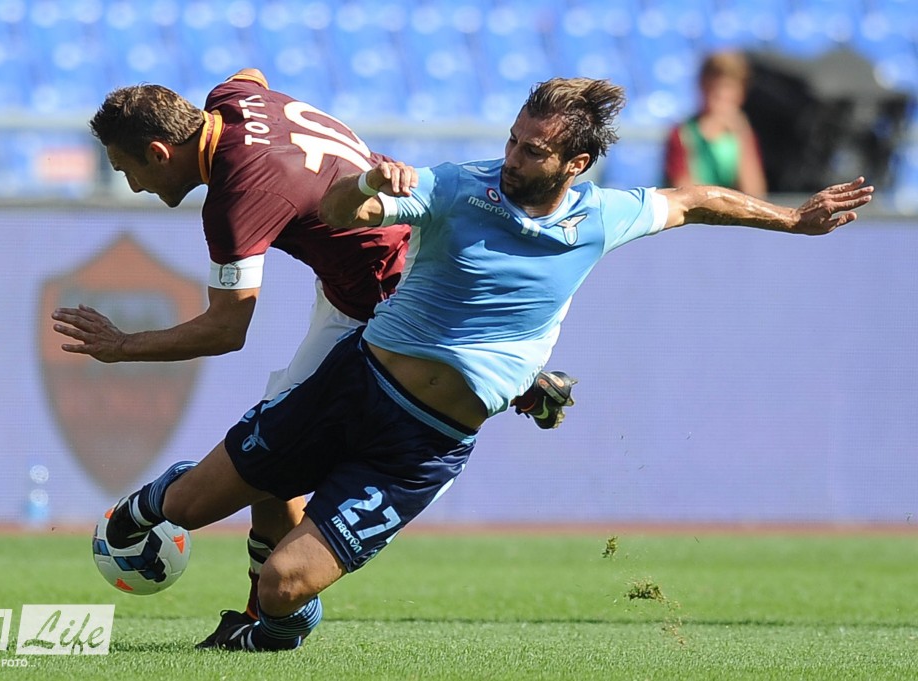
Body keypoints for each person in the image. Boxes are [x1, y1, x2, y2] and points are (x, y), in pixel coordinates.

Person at [102, 76, 872, 652]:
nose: (511, 157)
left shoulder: (604, 216)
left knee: (283, 584)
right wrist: (367, 182)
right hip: (354, 377)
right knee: (194, 505)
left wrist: (792, 219)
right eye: (511, 139)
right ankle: (521, 384)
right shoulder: (457, 186)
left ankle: (269, 625)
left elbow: (698, 199)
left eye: (531, 150)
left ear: (575, 163)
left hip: (419, 440)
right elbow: (344, 209)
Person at [50, 69, 574, 627]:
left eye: (127, 169)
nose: (133, 186)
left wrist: (123, 345)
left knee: (269, 449)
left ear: (159, 152)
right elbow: (251, 75)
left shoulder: (238, 196)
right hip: (366, 272)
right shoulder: (232, 98)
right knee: (271, 441)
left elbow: (226, 330)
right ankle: (261, 608)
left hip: (387, 299)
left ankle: (261, 599)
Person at [664, 51, 767, 197]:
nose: (720, 94)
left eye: (728, 88)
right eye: (714, 87)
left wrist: (742, 137)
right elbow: (684, 193)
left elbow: (754, 193)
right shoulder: (682, 133)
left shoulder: (742, 134)